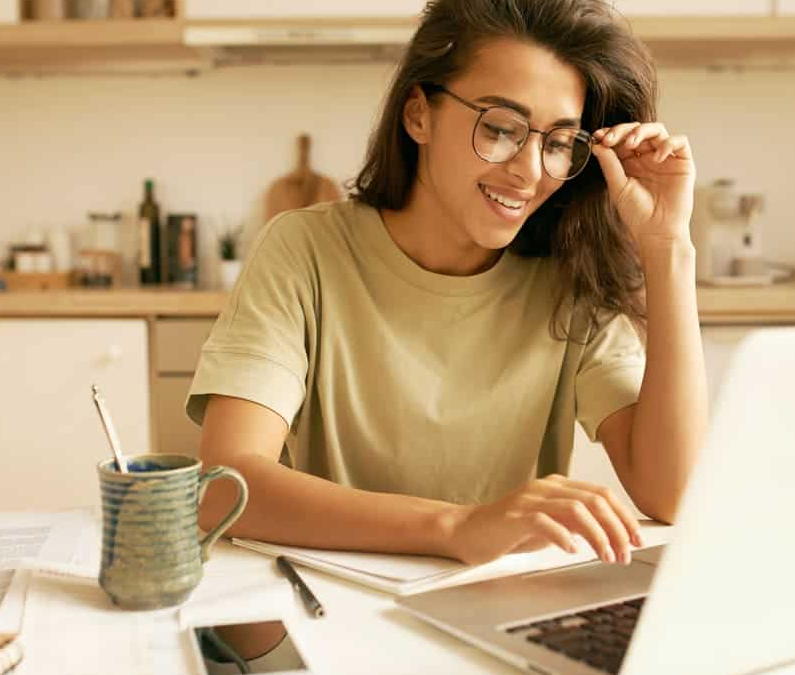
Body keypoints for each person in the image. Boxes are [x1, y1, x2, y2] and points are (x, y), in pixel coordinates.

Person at [188, 0, 708, 572]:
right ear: (419, 115)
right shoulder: (305, 251)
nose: (530, 171)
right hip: (330, 602)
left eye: (558, 143)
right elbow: (223, 486)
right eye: (503, 129)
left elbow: (673, 494)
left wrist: (667, 248)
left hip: (492, 603)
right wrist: (456, 526)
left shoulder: (570, 279)